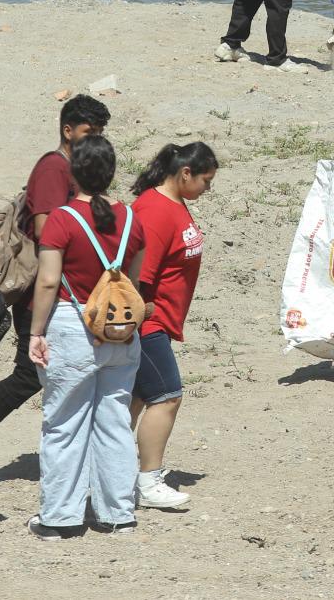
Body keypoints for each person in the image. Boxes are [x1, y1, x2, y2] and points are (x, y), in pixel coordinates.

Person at [0, 95, 110, 466]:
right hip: (42, 291)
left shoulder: (72, 169)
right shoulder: (54, 169)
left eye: (99, 132)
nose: (94, 138)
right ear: (67, 131)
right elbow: (47, 230)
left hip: (55, 291)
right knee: (30, 374)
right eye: (88, 131)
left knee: (38, 374)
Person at [27, 134, 147, 539]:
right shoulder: (132, 218)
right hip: (120, 330)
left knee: (64, 422)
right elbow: (134, 283)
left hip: (72, 324)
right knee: (114, 420)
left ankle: (61, 516)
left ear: (73, 172)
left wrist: (35, 332)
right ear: (112, 172)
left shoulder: (62, 219)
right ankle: (118, 513)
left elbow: (47, 282)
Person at [129, 141, 218, 511]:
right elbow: (137, 275)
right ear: (185, 174)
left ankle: (107, 472)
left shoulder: (173, 204)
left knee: (132, 401)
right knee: (166, 396)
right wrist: (139, 310)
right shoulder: (155, 211)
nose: (208, 188)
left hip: (161, 322)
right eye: (206, 180)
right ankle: (149, 480)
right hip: (147, 326)